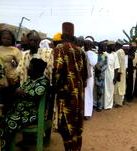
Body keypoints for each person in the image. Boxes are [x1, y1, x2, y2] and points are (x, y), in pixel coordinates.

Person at [0, 58, 49, 151]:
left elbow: (34, 95)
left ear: (37, 70)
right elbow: (19, 91)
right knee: (0, 120)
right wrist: (17, 91)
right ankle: (1, 147)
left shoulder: (43, 82)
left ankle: (4, 148)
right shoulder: (31, 80)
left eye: (30, 67)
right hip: (20, 112)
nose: (27, 68)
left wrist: (20, 92)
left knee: (8, 123)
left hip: (31, 114)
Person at [52, 22, 88, 151]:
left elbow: (57, 71)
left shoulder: (59, 49)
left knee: (65, 124)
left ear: (62, 37)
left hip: (65, 94)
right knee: (77, 124)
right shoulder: (80, 51)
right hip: (78, 93)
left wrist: (55, 89)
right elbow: (85, 75)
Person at [0, 29, 23, 111]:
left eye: (8, 39)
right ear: (0, 38)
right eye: (4, 38)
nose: (6, 40)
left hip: (11, 79)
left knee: (9, 101)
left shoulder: (15, 50)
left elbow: (21, 64)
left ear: (12, 40)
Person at [84, 38, 98, 119]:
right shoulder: (82, 52)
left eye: (88, 44)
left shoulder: (92, 53)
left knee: (88, 93)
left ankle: (88, 113)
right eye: (85, 44)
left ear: (91, 45)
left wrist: (87, 54)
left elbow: (93, 63)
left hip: (89, 76)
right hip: (82, 76)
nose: (86, 45)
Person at [104, 41, 120, 109]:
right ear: (109, 46)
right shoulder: (104, 54)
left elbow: (116, 67)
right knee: (104, 90)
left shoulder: (115, 54)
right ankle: (103, 104)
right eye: (113, 46)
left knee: (110, 90)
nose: (114, 47)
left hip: (111, 75)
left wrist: (115, 77)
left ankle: (108, 105)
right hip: (104, 75)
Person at [95, 42, 108, 112]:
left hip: (101, 75)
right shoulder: (95, 55)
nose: (105, 48)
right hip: (95, 75)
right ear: (100, 47)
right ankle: (94, 104)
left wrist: (100, 70)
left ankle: (99, 106)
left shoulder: (105, 56)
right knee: (94, 91)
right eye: (104, 46)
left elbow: (106, 65)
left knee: (100, 91)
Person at [114, 42, 126, 107]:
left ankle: (118, 103)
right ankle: (120, 101)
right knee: (120, 87)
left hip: (119, 73)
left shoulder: (119, 52)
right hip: (121, 72)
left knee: (118, 87)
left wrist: (118, 73)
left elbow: (119, 63)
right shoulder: (121, 51)